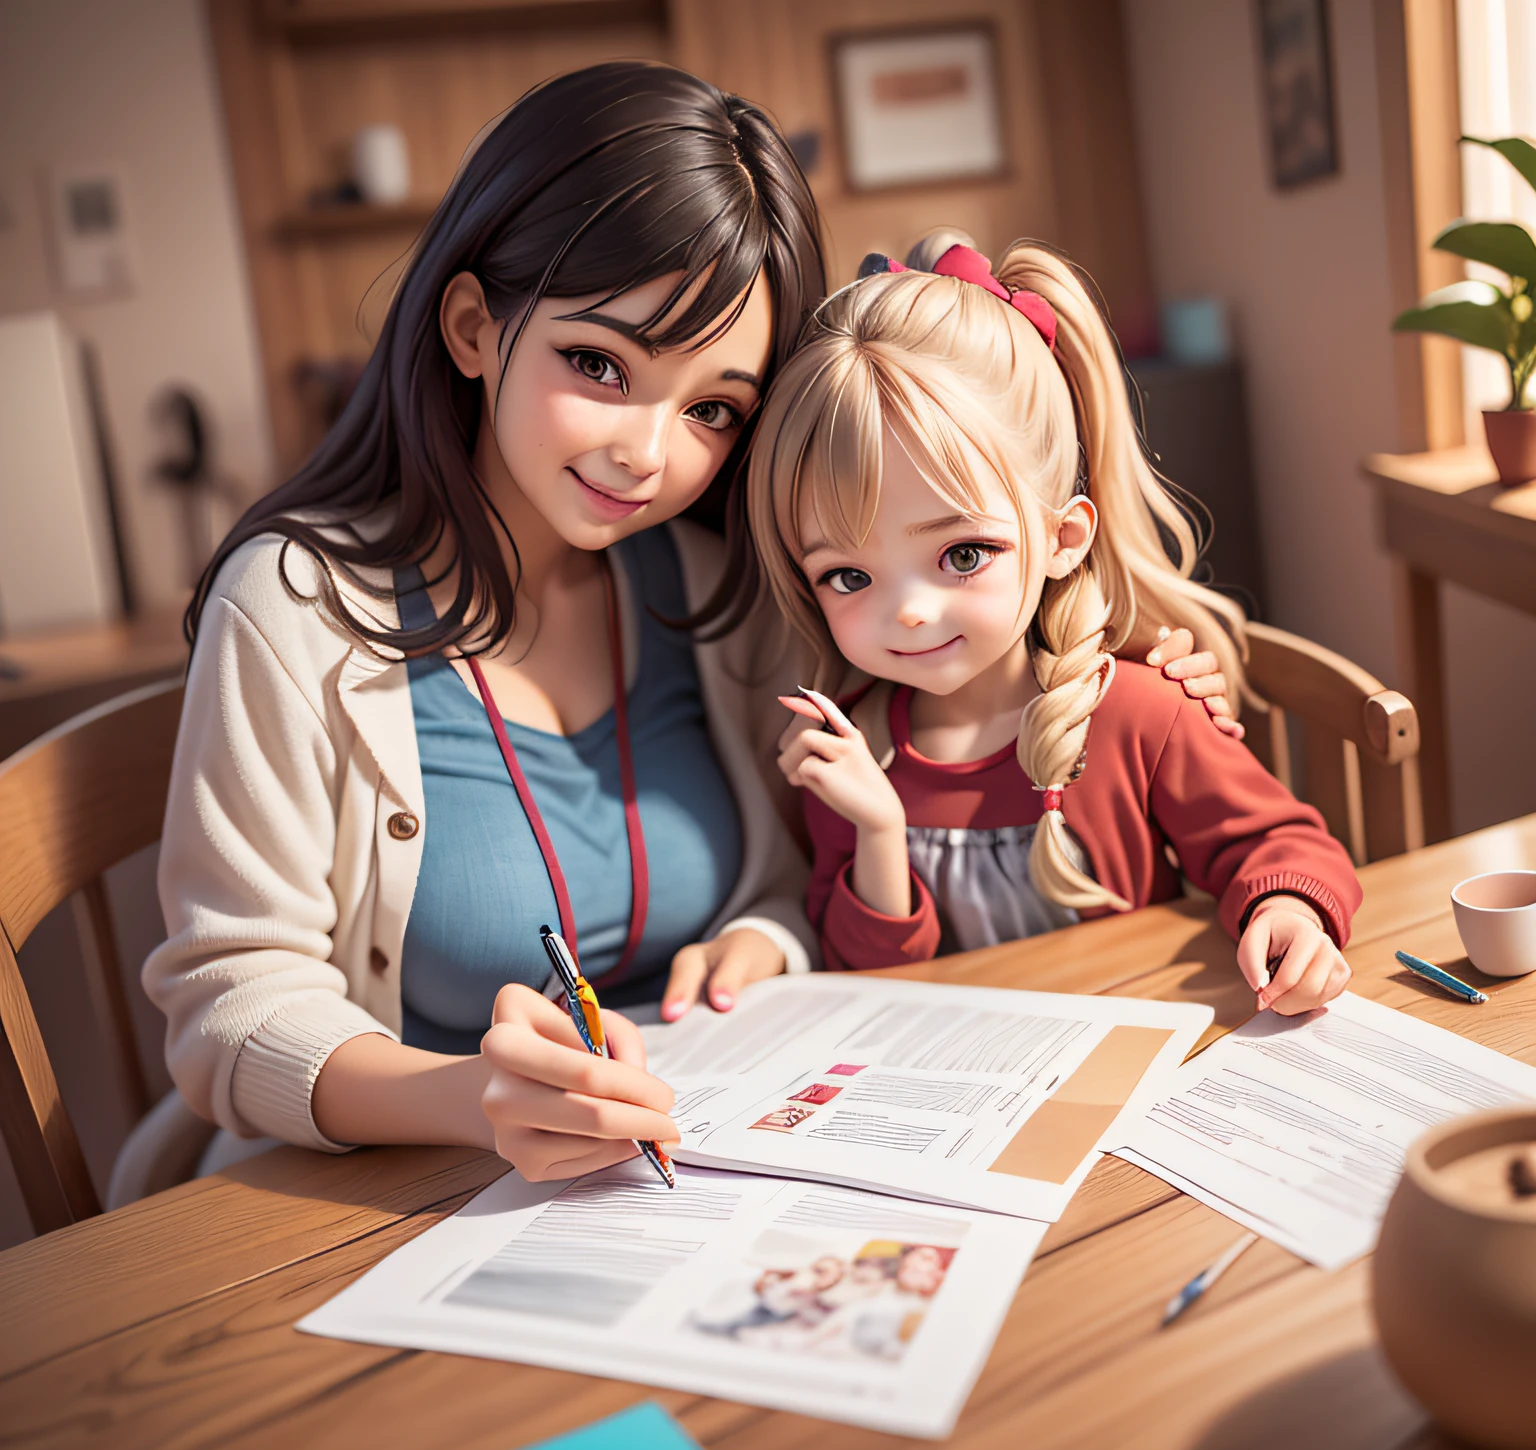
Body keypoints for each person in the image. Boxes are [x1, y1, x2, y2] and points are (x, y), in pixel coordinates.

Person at [144, 64, 1241, 1187]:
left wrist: (1118, 672)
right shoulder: (295, 609)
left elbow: (821, 836)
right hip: (392, 1195)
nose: (649, 453)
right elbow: (230, 1009)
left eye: (713, 409)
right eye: (598, 365)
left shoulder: (728, 588)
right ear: (474, 327)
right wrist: (475, 1098)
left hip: (717, 1153)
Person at [752, 240, 1360, 1015]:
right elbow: (862, 975)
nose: (907, 610)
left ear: (1063, 538)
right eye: (848, 575)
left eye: (961, 554)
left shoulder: (1138, 713)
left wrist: (1290, 912)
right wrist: (877, 830)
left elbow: (1278, 845)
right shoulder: (851, 758)